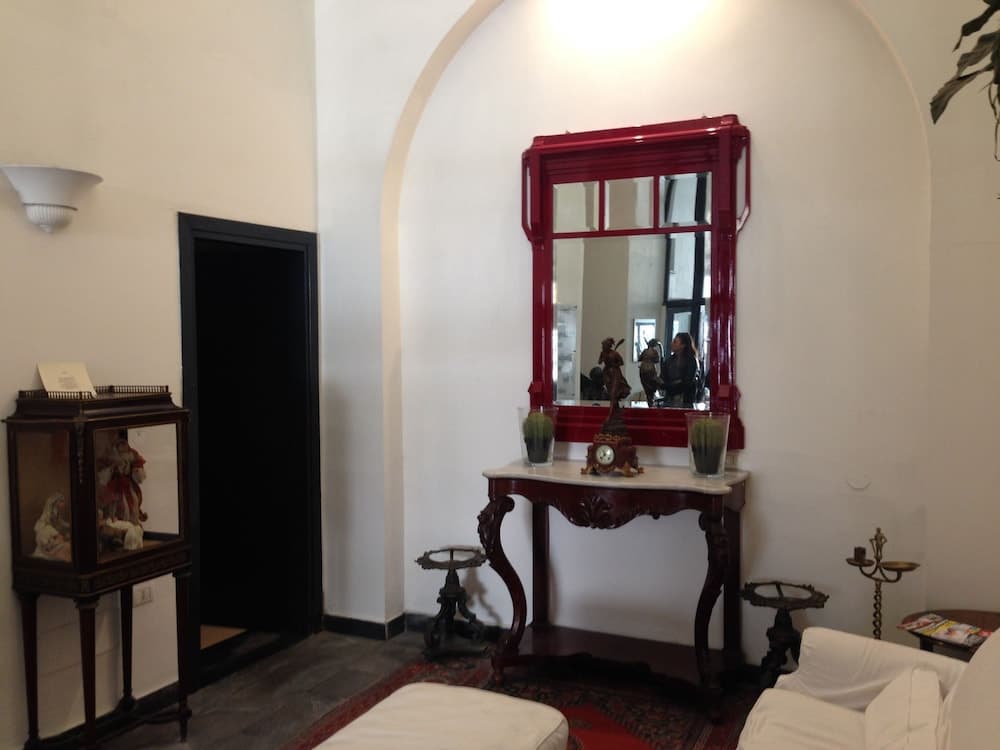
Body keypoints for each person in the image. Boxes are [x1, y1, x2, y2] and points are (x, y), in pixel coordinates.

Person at [662, 332, 702, 407]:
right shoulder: (669, 361)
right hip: (670, 399)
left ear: (683, 345)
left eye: (675, 342)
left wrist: (670, 387)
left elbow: (688, 382)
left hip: (686, 400)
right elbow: (664, 377)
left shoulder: (692, 361)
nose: (672, 344)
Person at [33, 492, 72, 562]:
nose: (64, 504)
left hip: (53, 537)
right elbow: (44, 529)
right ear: (56, 502)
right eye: (62, 501)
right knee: (67, 546)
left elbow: (61, 522)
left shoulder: (56, 513)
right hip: (47, 537)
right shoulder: (48, 516)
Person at [598, 337, 630, 408]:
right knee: (610, 391)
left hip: (615, 373)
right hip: (607, 373)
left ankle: (612, 409)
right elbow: (599, 362)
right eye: (602, 346)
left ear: (608, 346)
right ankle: (616, 408)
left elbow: (621, 362)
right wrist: (602, 359)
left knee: (614, 391)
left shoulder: (615, 353)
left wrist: (614, 364)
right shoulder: (603, 353)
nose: (602, 347)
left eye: (603, 346)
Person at [638, 338, 664, 406]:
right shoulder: (654, 352)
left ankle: (650, 401)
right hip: (651, 368)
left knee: (647, 386)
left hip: (643, 369)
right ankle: (651, 401)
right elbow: (657, 360)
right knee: (651, 386)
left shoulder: (645, 351)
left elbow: (640, 358)